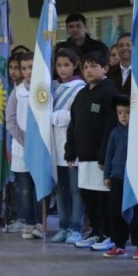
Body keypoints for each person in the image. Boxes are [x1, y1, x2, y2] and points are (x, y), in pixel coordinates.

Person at [65, 50, 119, 251]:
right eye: (85, 67)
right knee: (88, 195)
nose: (88, 70)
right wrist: (70, 151)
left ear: (104, 68)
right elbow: (74, 124)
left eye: (93, 66)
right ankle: (96, 231)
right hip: (83, 156)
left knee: (103, 197)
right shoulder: (81, 94)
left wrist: (105, 154)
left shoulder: (109, 92)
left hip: (100, 158)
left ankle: (108, 234)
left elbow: (111, 127)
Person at [102, 95, 138, 260]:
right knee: (115, 212)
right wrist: (106, 174)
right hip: (117, 177)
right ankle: (119, 244)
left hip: (136, 177)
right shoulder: (115, 132)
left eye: (128, 112)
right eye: (120, 112)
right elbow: (109, 154)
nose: (123, 116)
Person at [49, 47, 86, 244]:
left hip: (72, 146)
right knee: (60, 188)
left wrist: (52, 117)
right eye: (59, 65)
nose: (62, 70)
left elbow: (73, 116)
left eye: (66, 65)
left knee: (75, 189)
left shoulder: (79, 88)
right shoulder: (51, 87)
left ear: (74, 66)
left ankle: (76, 227)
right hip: (55, 146)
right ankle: (63, 226)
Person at [6, 52, 43, 239]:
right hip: (22, 147)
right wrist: (24, 140)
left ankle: (40, 222)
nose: (28, 71)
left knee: (40, 186)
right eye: (24, 68)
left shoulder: (45, 88)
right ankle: (28, 222)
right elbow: (11, 120)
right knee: (25, 188)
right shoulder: (17, 91)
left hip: (41, 147)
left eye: (32, 67)